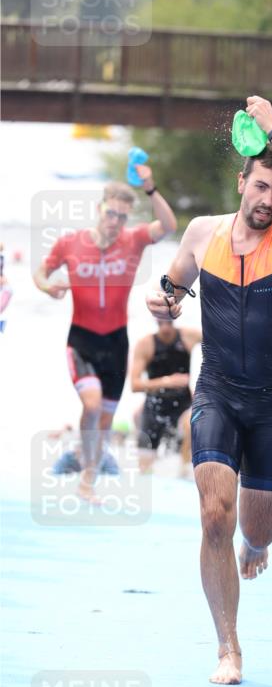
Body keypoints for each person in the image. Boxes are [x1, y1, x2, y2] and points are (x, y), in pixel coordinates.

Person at [146, 95, 272, 685]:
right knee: (214, 516)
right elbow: (171, 289)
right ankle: (229, 647)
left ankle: (257, 543)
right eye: (261, 188)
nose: (270, 201)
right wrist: (161, 299)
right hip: (218, 391)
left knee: (256, 527)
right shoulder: (202, 233)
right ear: (241, 180)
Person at [33, 169, 177, 501]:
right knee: (93, 404)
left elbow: (169, 227)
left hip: (115, 342)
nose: (115, 221)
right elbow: (42, 272)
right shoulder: (70, 243)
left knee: (106, 420)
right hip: (82, 340)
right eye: (110, 213)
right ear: (99, 209)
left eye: (122, 217)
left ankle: (87, 480)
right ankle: (84, 466)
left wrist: (151, 188)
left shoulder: (134, 240)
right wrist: (46, 287)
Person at [131, 319, 202, 474]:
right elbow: (134, 385)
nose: (165, 327)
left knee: (192, 424)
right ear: (155, 319)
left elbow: (220, 341)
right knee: (144, 470)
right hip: (154, 407)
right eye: (161, 322)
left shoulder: (189, 336)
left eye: (168, 321)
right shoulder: (146, 344)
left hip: (182, 406)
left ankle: (184, 470)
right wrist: (168, 381)